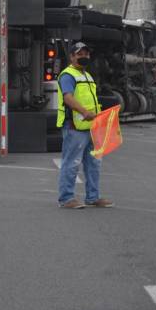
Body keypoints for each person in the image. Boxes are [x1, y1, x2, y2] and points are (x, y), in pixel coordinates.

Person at [56, 42, 114, 209]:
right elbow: (68, 98)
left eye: (86, 54)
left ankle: (93, 197)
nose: (84, 57)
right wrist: (84, 112)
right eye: (80, 54)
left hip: (92, 127)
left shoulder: (87, 76)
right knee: (71, 163)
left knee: (94, 163)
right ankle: (66, 199)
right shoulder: (68, 75)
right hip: (75, 126)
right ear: (72, 56)